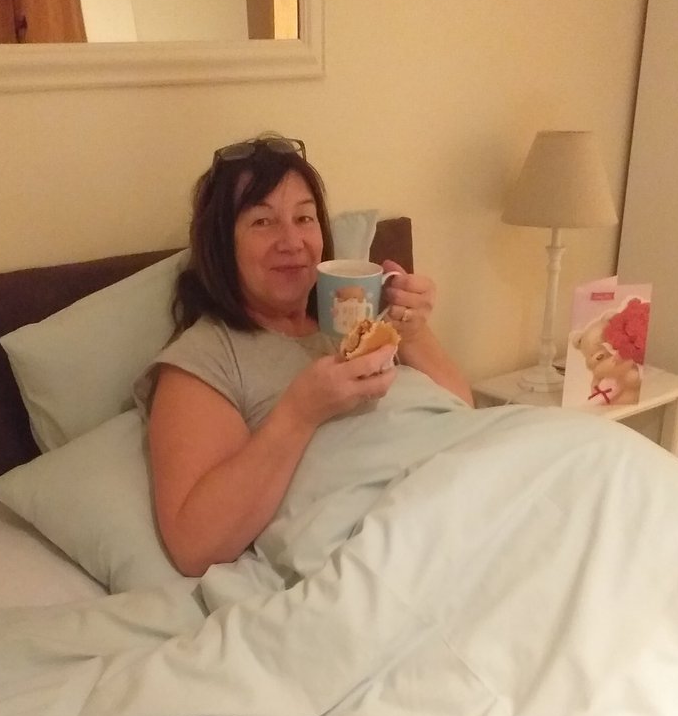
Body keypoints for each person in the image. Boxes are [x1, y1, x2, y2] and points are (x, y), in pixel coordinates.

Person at [136, 135, 473, 576]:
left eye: (304, 218)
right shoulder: (207, 357)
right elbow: (194, 546)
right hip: (400, 538)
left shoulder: (357, 318)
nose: (292, 241)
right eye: (262, 222)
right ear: (222, 245)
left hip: (467, 485)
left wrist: (411, 332)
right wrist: (299, 413)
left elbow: (461, 414)